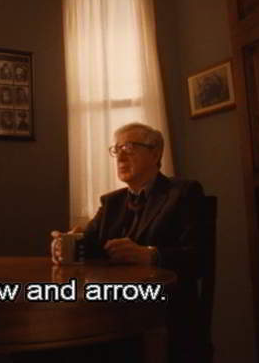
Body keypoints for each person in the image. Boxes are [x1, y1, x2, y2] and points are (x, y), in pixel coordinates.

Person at [50, 122, 205, 363]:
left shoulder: (183, 193)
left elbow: (198, 257)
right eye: (117, 149)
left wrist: (150, 255)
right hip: (110, 312)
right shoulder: (111, 202)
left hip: (163, 315)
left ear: (155, 153)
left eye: (129, 147)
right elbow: (89, 245)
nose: (120, 156)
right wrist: (66, 243)